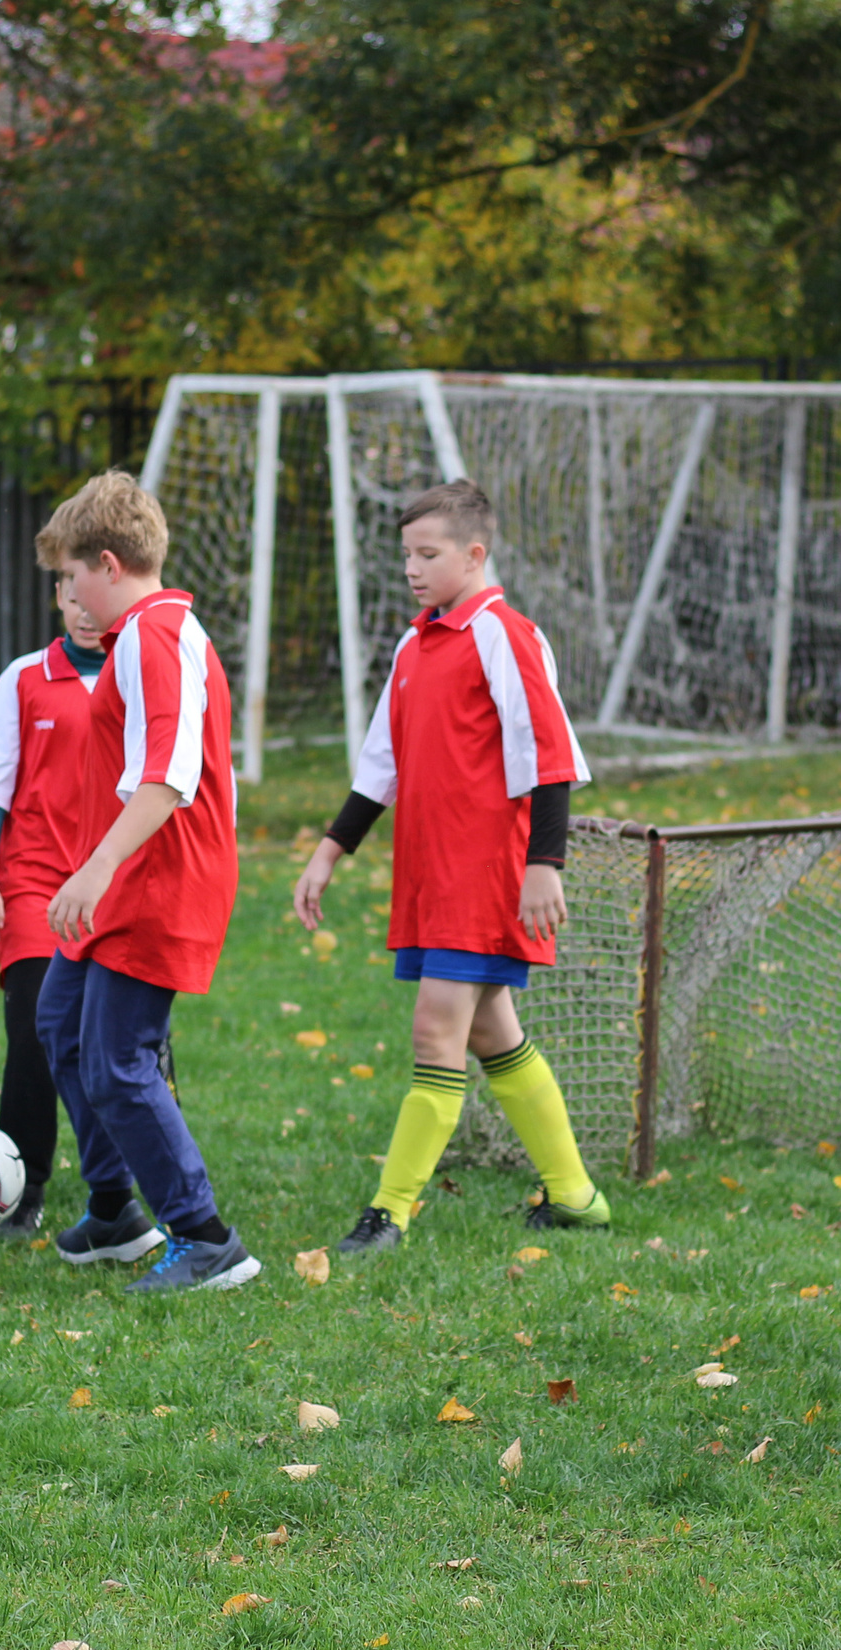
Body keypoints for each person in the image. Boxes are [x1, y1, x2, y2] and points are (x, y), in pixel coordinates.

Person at [292, 479, 603, 1254]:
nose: (412, 568)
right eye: (406, 554)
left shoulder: (504, 633)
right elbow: (380, 768)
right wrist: (331, 851)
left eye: (428, 554)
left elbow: (549, 756)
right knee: (492, 1034)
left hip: (487, 875)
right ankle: (576, 1197)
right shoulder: (414, 643)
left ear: (475, 553)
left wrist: (545, 865)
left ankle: (389, 1212)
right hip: (431, 876)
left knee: (436, 1032)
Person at [32, 470, 259, 1294]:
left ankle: (204, 1238)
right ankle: (115, 1210)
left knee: (118, 1060)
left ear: (107, 562)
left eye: (70, 576)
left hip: (160, 881)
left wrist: (95, 866)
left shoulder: (155, 638)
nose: (69, 594)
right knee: (60, 1024)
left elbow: (168, 778)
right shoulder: (141, 637)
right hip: (125, 879)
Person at [0, 566, 111, 1239]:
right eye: (71, 595)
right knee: (39, 1032)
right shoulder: (23, 678)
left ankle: (133, 1181)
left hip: (116, 885)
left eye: (93, 596)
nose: (84, 611)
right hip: (36, 884)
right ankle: (23, 1183)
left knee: (129, 1042)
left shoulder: (144, 674)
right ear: (60, 597)